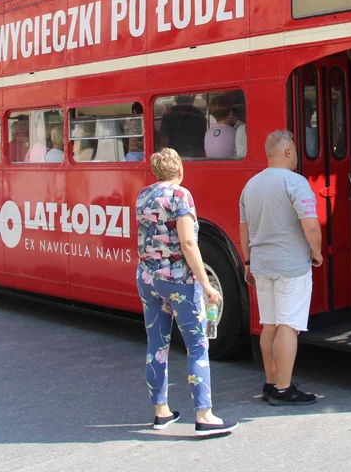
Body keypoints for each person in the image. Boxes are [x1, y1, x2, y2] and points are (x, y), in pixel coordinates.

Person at [135, 148, 236, 437]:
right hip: (179, 281)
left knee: (157, 345)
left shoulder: (144, 195)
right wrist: (206, 285)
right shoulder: (181, 196)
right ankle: (204, 416)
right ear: (179, 170)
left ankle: (161, 412)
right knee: (197, 345)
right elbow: (188, 243)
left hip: (147, 278)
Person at [239, 129, 321, 406]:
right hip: (291, 267)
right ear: (287, 152)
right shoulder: (296, 183)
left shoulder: (250, 185)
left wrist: (248, 261)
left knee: (270, 325)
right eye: (295, 150)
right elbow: (310, 224)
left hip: (261, 266)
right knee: (289, 325)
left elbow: (244, 229)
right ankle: (285, 390)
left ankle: (271, 383)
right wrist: (317, 252)